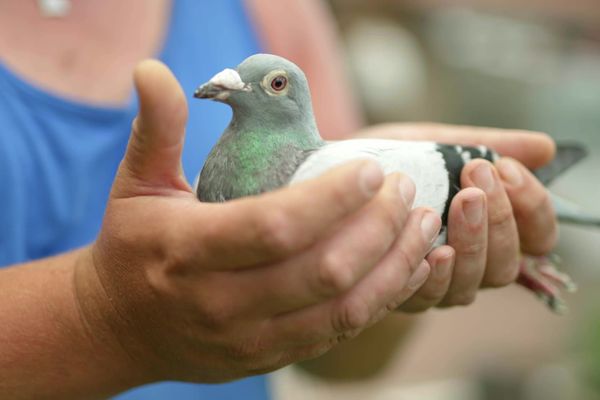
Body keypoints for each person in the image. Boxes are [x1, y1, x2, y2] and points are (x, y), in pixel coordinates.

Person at [0, 0, 557, 398]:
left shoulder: (275, 9)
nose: (256, 86)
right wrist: (101, 315)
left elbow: (347, 364)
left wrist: (385, 289)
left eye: (273, 85)